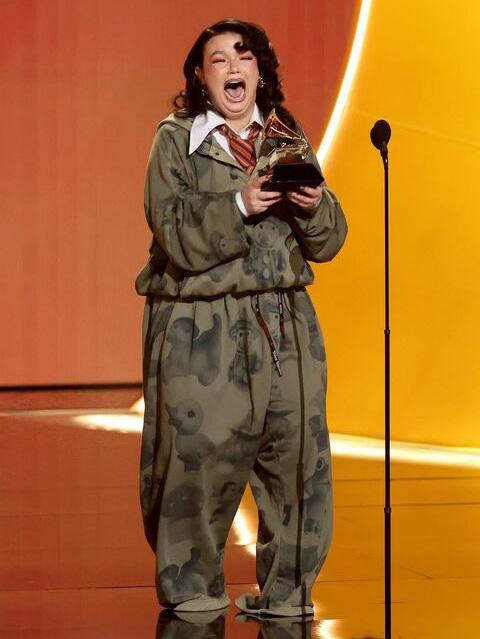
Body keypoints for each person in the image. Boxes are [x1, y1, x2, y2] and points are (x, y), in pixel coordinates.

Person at [135, 19, 347, 616]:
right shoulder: (177, 140)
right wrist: (239, 203)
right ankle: (193, 591)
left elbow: (330, 241)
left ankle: (289, 592)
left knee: (298, 460)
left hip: (285, 321)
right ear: (200, 77)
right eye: (219, 59)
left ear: (260, 71)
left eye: (244, 56)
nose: (234, 67)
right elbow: (172, 229)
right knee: (197, 461)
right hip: (202, 325)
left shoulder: (285, 136)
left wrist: (313, 205)